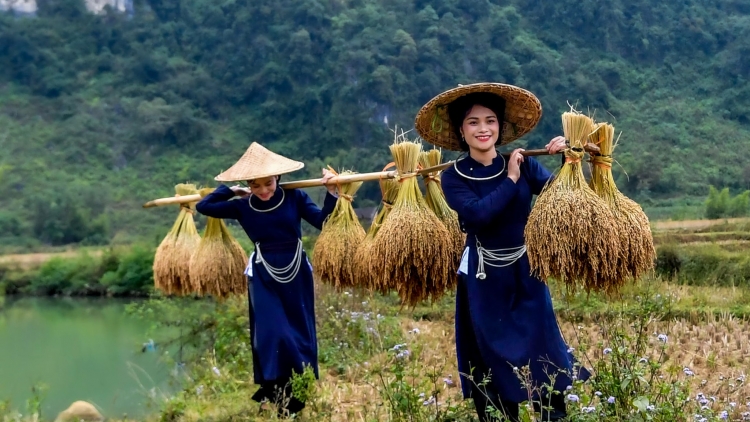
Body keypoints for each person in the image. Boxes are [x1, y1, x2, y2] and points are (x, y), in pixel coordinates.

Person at [414, 83, 590, 421]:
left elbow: (565, 197)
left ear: (500, 127)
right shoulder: (453, 177)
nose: (483, 129)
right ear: (461, 132)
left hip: (527, 273)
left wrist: (574, 156)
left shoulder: (524, 164)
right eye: (473, 122)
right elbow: (478, 215)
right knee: (491, 356)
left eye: (490, 121)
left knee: (543, 350)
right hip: (484, 279)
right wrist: (510, 179)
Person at [195, 142, 338, 418]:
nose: (262, 191)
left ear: (278, 178)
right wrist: (231, 190)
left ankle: (296, 393)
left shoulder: (294, 198)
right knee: (273, 333)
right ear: (248, 183)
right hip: (264, 273)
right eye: (255, 185)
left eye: (268, 183)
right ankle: (275, 390)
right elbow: (204, 206)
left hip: (296, 271)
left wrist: (331, 192)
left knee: (298, 331)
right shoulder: (242, 207)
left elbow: (323, 221)